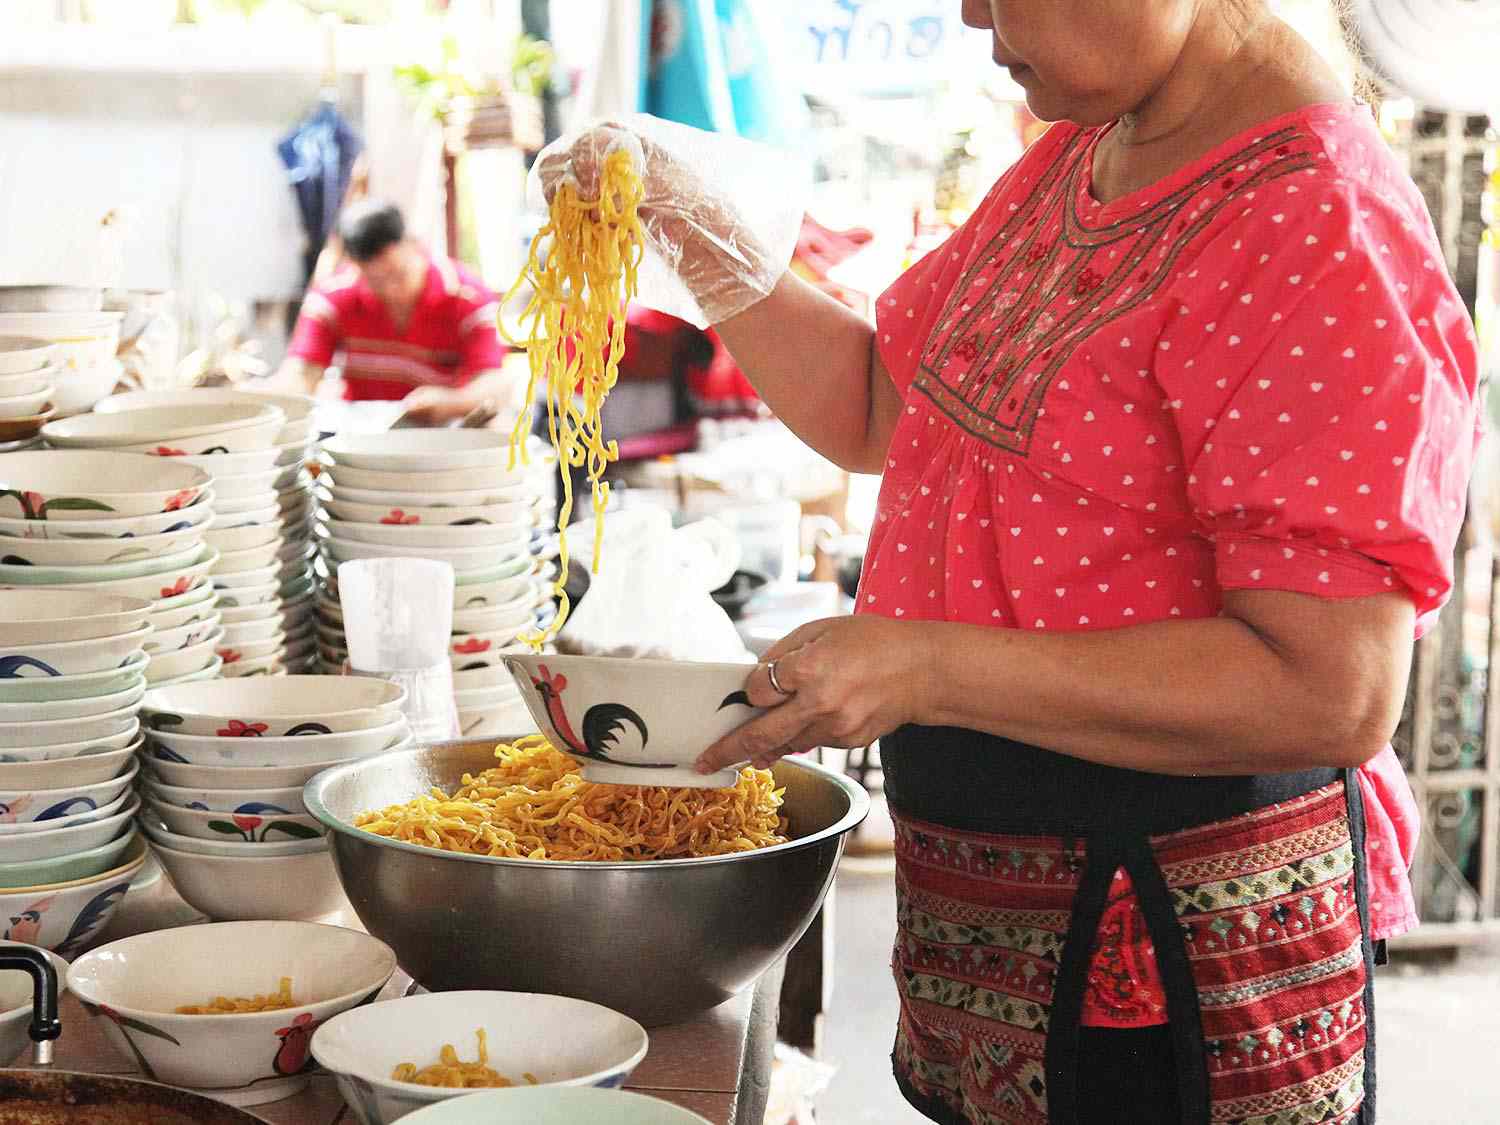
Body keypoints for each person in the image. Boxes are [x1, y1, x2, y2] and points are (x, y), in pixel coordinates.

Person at [541, 2, 1483, 1123]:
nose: (972, 13)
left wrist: (928, 669)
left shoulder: (1315, 220)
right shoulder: (1085, 154)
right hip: (1009, 940)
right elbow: (884, 406)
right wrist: (698, 229)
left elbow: (1332, 689)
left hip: (1165, 966)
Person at [272, 200, 521, 426]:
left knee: (501, 426)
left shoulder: (467, 296)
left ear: (413, 244)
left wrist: (452, 401)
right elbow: (302, 373)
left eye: (397, 274)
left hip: (445, 432)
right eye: (375, 280)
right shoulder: (332, 297)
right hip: (362, 435)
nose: (390, 290)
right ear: (354, 265)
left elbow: (494, 384)